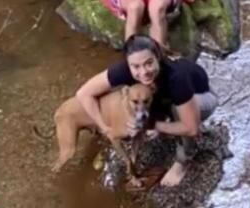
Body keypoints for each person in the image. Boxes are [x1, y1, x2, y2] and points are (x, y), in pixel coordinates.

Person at [76, 34, 218, 187]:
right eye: (136, 66)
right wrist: (104, 127)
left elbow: (191, 129)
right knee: (142, 99)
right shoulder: (124, 70)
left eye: (149, 63)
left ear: (158, 56)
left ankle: (183, 161)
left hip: (202, 97)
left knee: (178, 111)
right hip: (169, 99)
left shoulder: (177, 78)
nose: (143, 72)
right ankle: (174, 121)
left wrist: (152, 125)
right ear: (128, 64)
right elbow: (84, 94)